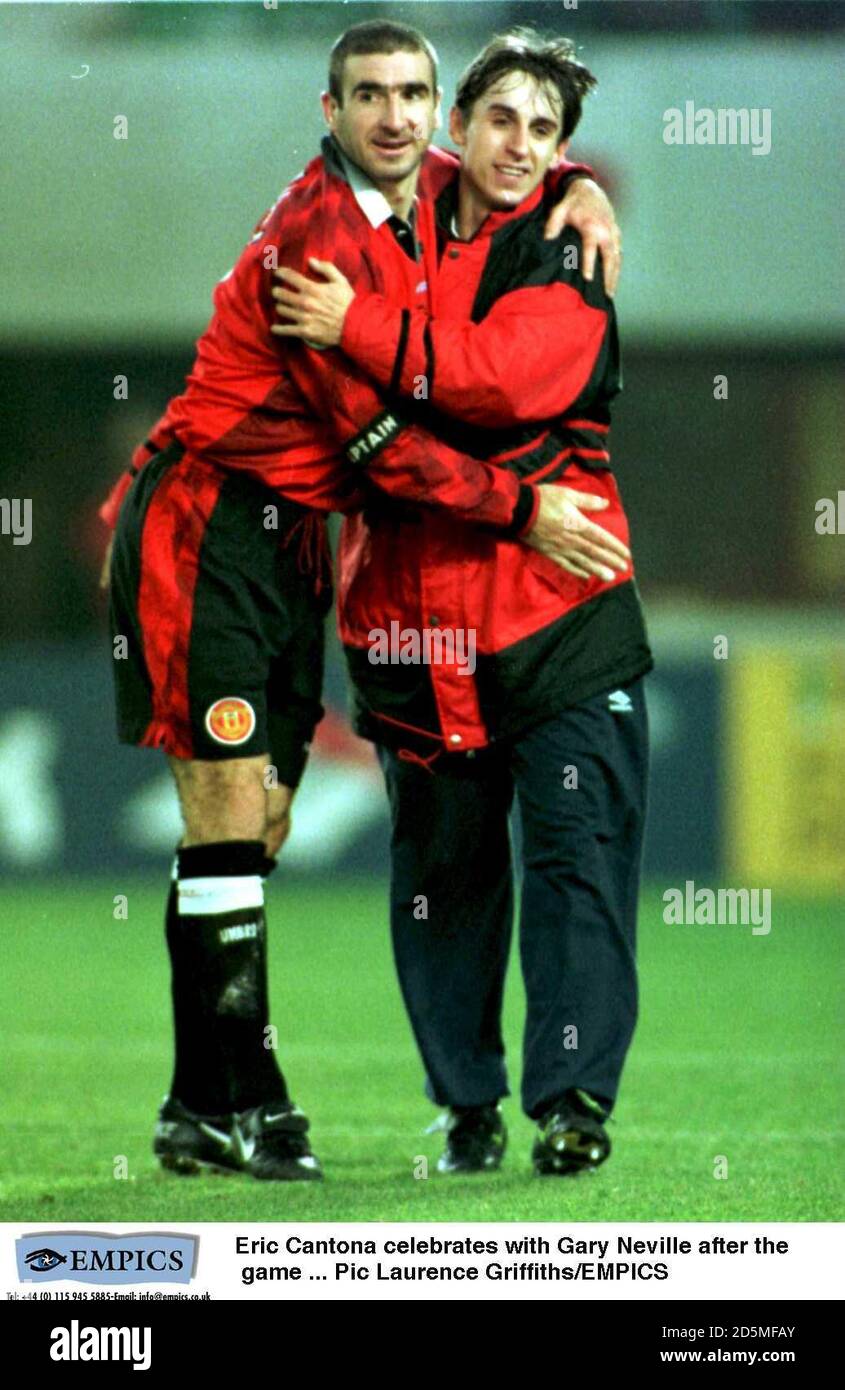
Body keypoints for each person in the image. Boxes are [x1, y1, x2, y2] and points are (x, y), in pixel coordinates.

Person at [98, 20, 624, 1181]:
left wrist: (583, 187)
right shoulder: (315, 242)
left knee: (261, 823)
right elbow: (384, 453)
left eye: (413, 95)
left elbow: (518, 162)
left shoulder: (430, 187)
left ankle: (197, 1104)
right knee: (230, 814)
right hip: (209, 526)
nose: (393, 116)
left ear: (435, 112)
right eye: (367, 95)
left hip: (290, 547)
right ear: (326, 112)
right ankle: (250, 1099)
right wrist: (523, 510)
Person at [273, 29, 651, 1176]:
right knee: (442, 878)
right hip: (411, 625)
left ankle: (573, 1101)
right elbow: (334, 165)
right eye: (502, 120)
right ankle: (464, 1100)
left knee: (576, 856)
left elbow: (504, 382)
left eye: (548, 134)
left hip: (558, 614)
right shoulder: (389, 208)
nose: (523, 147)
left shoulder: (565, 252)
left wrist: (358, 329)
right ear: (455, 129)